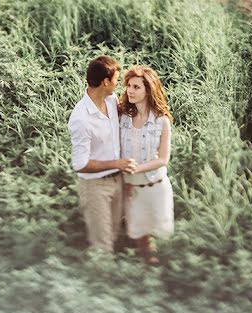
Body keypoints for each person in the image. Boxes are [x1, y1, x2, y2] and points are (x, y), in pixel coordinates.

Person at [67, 56, 136, 252]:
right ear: (105, 82)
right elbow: (81, 164)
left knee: (113, 236)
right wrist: (117, 164)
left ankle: (108, 278)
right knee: (102, 245)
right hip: (95, 186)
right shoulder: (81, 119)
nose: (118, 83)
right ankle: (99, 276)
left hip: (117, 181)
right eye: (116, 79)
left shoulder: (111, 100)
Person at [117, 65, 174, 265]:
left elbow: (163, 159)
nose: (129, 91)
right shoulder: (122, 118)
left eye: (136, 87)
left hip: (156, 187)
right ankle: (148, 277)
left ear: (148, 90)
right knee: (142, 240)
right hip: (133, 189)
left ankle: (169, 277)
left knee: (164, 237)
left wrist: (137, 168)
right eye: (128, 86)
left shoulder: (162, 121)